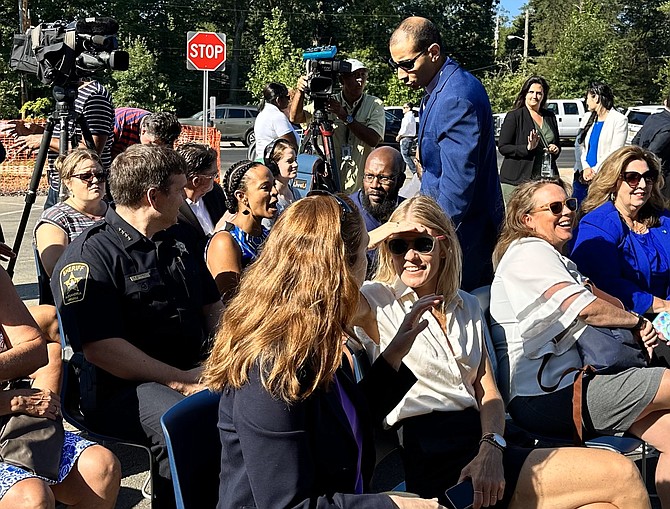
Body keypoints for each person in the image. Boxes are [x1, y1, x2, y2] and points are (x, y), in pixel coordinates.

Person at [355, 195, 650, 508]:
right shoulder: (377, 300)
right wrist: (377, 234)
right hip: (432, 454)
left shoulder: (465, 304)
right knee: (622, 475)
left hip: (486, 439)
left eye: (422, 244)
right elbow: (318, 289)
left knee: (601, 504)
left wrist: (491, 447)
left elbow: (488, 392)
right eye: (398, 246)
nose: (410, 256)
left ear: (443, 246)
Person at [202, 192, 447, 509]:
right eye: (363, 256)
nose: (367, 268)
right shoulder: (269, 367)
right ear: (341, 272)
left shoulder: (313, 333)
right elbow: (285, 504)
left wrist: (393, 355)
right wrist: (393, 505)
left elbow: (344, 422)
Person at [52, 144, 223, 509]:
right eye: (179, 190)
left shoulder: (181, 237)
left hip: (194, 366)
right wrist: (181, 379)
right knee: (181, 422)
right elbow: (101, 349)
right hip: (123, 386)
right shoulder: (89, 259)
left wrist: (225, 356)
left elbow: (212, 305)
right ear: (153, 197)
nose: (185, 197)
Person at [489, 178, 670, 507]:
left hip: (576, 381)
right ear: (526, 219)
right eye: (554, 207)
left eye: (570, 204)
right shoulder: (528, 252)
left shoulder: (556, 259)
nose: (566, 213)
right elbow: (585, 309)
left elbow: (602, 300)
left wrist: (631, 317)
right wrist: (638, 321)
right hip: (548, 393)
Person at [389, 17, 504, 291]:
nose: (401, 75)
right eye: (396, 66)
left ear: (433, 52)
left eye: (407, 65)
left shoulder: (456, 97)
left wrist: (426, 239)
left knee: (458, 320)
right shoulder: (439, 87)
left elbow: (457, 190)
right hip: (448, 230)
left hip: (460, 238)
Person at [0, 265, 121, 508]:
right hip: (7, 406)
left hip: (8, 427)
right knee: (32, 499)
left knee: (102, 467)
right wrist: (13, 401)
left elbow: (35, 348)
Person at [571, 146, 670, 314]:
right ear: (613, 182)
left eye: (648, 177)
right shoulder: (597, 225)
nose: (643, 184)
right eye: (632, 178)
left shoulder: (662, 219)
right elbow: (605, 283)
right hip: (625, 318)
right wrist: (661, 306)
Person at [13, 79, 114, 209]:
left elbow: (90, 152)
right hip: (61, 185)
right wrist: (38, 131)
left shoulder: (95, 97)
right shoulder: (67, 95)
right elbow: (68, 137)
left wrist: (44, 140)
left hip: (84, 190)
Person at [290, 59, 385, 194]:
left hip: (358, 185)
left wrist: (344, 116)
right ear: (342, 80)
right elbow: (295, 117)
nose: (360, 80)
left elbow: (373, 139)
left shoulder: (374, 104)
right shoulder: (328, 101)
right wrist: (300, 91)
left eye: (363, 75)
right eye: (355, 75)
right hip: (330, 182)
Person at [205, 160, 278, 301]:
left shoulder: (268, 235)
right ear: (241, 196)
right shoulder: (225, 242)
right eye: (265, 187)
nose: (274, 192)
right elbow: (232, 302)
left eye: (274, 185)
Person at [34, 149, 108, 279]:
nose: (95, 180)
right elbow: (58, 271)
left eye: (100, 175)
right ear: (68, 182)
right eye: (86, 176)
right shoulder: (56, 220)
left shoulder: (118, 211)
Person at [498, 76, 561, 204]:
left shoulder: (550, 116)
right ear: (525, 94)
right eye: (531, 92)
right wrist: (526, 148)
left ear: (543, 96)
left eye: (539, 93)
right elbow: (503, 147)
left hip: (545, 178)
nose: (535, 96)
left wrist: (555, 149)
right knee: (516, 220)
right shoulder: (515, 116)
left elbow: (557, 143)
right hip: (517, 180)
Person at [577, 82, 628, 187]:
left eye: (587, 98)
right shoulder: (587, 118)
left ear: (596, 98)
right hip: (583, 175)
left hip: (604, 177)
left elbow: (615, 151)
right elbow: (579, 145)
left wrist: (594, 170)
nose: (586, 102)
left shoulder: (619, 120)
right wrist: (585, 167)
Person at [176, 142, 226, 241]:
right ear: (196, 181)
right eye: (213, 175)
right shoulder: (172, 207)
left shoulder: (215, 193)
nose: (215, 180)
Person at [633, 93, 670, 198]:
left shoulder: (652, 117)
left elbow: (635, 140)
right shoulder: (668, 126)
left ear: (665, 102)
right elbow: (652, 151)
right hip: (662, 177)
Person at [261, 138, 301, 228]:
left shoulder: (296, 193)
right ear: (274, 165)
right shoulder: (269, 200)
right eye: (289, 161)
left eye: (295, 160)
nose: (295, 165)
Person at [253, 82, 299, 159]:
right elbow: (291, 146)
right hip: (275, 164)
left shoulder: (262, 114)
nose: (289, 100)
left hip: (263, 160)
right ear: (278, 100)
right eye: (287, 97)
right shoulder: (277, 116)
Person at [396, 102, 417, 174]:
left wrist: (399, 135)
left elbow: (405, 127)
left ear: (409, 108)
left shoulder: (407, 117)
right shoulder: (412, 116)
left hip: (406, 138)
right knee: (405, 155)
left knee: (405, 156)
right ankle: (402, 171)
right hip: (409, 138)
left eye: (404, 107)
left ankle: (414, 171)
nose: (403, 109)